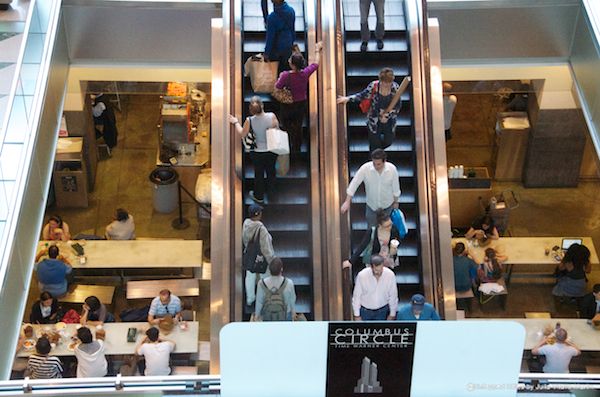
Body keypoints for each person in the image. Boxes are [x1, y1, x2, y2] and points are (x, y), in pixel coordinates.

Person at [337, 69, 410, 151]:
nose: (386, 86)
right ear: (380, 81)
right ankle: (375, 156)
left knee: (389, 141)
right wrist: (348, 99)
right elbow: (363, 95)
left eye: (389, 84)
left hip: (389, 121)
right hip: (374, 120)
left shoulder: (395, 88)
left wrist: (387, 115)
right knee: (374, 143)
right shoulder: (374, 86)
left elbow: (398, 106)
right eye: (384, 84)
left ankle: (378, 152)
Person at [229, 96, 280, 203]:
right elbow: (277, 129)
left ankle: (259, 196)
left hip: (257, 153)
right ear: (262, 105)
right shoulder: (272, 116)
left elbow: (243, 133)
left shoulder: (249, 120)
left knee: (259, 174)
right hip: (271, 150)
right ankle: (272, 195)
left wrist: (235, 122)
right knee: (271, 172)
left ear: (251, 110)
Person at [275, 42, 322, 152]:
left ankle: (287, 141)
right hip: (301, 103)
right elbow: (316, 64)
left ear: (292, 65)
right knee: (298, 123)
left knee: (285, 123)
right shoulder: (305, 73)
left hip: (288, 104)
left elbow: (277, 87)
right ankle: (297, 145)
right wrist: (317, 50)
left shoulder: (285, 75)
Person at [340, 149, 401, 228]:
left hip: (387, 207)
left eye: (378, 164)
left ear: (384, 161)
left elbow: (396, 188)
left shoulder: (392, 170)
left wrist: (396, 202)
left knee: (386, 231)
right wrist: (347, 201)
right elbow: (354, 183)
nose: (376, 166)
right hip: (372, 207)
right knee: (371, 231)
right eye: (374, 163)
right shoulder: (365, 168)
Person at [343, 209, 401, 273]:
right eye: (387, 226)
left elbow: (397, 240)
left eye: (390, 224)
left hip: (389, 258)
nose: (390, 227)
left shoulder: (394, 229)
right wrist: (351, 261)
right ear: (380, 225)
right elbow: (363, 245)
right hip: (376, 258)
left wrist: (394, 247)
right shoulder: (372, 231)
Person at [242, 204, 275, 306]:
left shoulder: (246, 224)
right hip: (260, 256)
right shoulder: (262, 229)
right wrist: (271, 261)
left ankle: (250, 298)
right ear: (258, 214)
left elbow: (245, 239)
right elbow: (266, 248)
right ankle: (266, 298)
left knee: (250, 276)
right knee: (265, 276)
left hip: (249, 254)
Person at [352, 255, 398, 321]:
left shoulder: (390, 275)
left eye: (381, 269)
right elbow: (357, 296)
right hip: (365, 311)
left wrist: (392, 314)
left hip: (382, 310)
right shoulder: (362, 275)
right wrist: (356, 315)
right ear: (371, 267)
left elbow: (393, 295)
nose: (379, 272)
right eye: (376, 270)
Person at [264, 0, 295, 75]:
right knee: (286, 68)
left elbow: (270, 38)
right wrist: (292, 42)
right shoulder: (291, 11)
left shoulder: (272, 18)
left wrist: (266, 53)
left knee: (277, 72)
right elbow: (292, 29)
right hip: (288, 44)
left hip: (277, 48)